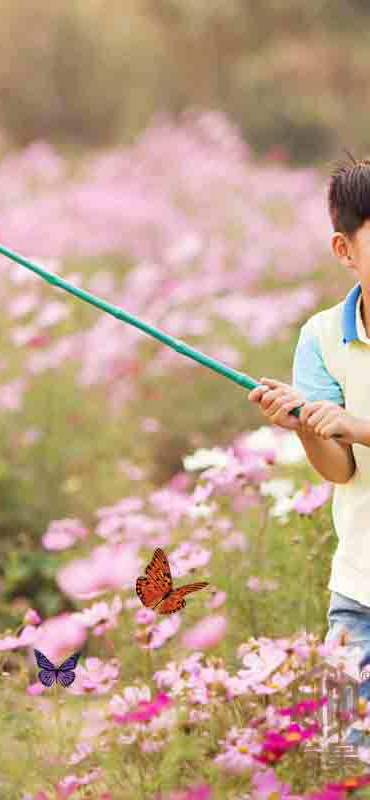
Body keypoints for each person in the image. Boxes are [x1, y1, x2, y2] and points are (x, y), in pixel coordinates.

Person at [248, 154, 370, 746]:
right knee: (344, 761)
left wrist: (359, 426)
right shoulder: (321, 337)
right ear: (344, 250)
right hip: (361, 592)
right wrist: (305, 427)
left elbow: (357, 434)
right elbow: (340, 470)